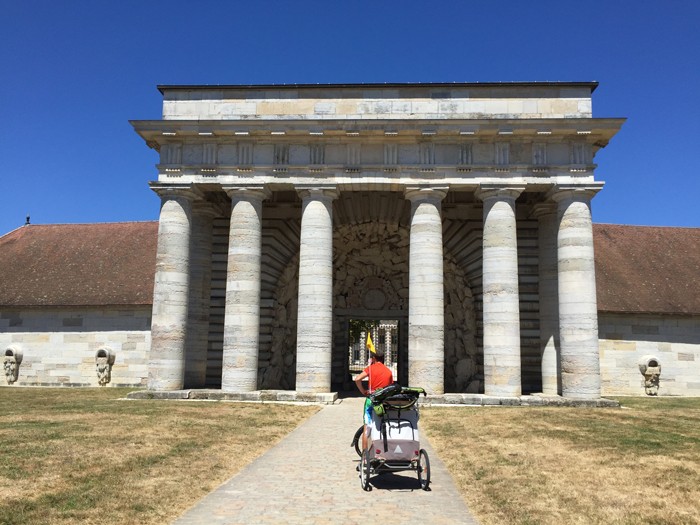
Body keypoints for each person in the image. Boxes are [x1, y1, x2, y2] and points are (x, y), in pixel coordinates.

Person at [354, 335, 393, 452]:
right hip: (383, 402)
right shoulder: (389, 371)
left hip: (372, 400)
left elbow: (357, 379)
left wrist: (363, 391)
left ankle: (365, 457)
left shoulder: (371, 369)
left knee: (367, 427)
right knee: (383, 425)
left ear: (374, 358)